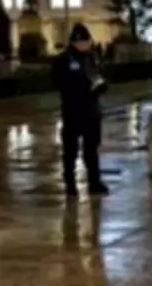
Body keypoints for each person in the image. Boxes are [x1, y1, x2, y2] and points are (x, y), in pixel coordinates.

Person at [52, 23, 109, 197]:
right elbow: (59, 82)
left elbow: (98, 75)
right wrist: (80, 87)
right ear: (74, 42)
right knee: (71, 150)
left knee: (91, 149)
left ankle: (94, 181)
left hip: (91, 111)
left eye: (87, 42)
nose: (85, 45)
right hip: (73, 111)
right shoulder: (64, 59)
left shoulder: (92, 57)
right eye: (82, 42)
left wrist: (101, 86)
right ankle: (70, 183)